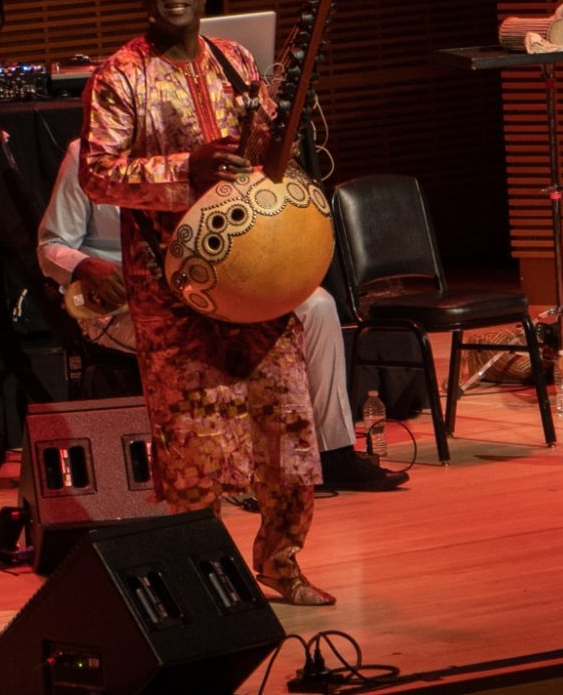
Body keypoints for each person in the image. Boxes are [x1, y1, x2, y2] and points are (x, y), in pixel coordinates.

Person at [79, 0, 333, 605]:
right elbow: (97, 174)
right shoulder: (120, 76)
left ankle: (282, 561)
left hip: (257, 275)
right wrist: (180, 172)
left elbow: (266, 152)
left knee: (286, 427)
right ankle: (206, 583)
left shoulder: (236, 62)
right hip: (174, 291)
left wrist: (285, 133)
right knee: (194, 443)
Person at [38, 138, 409, 492]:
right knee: (210, 330)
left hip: (209, 289)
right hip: (125, 304)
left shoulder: (203, 148)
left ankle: (335, 454)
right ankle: (229, 465)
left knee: (317, 304)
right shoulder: (86, 155)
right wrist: (86, 265)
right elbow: (50, 245)